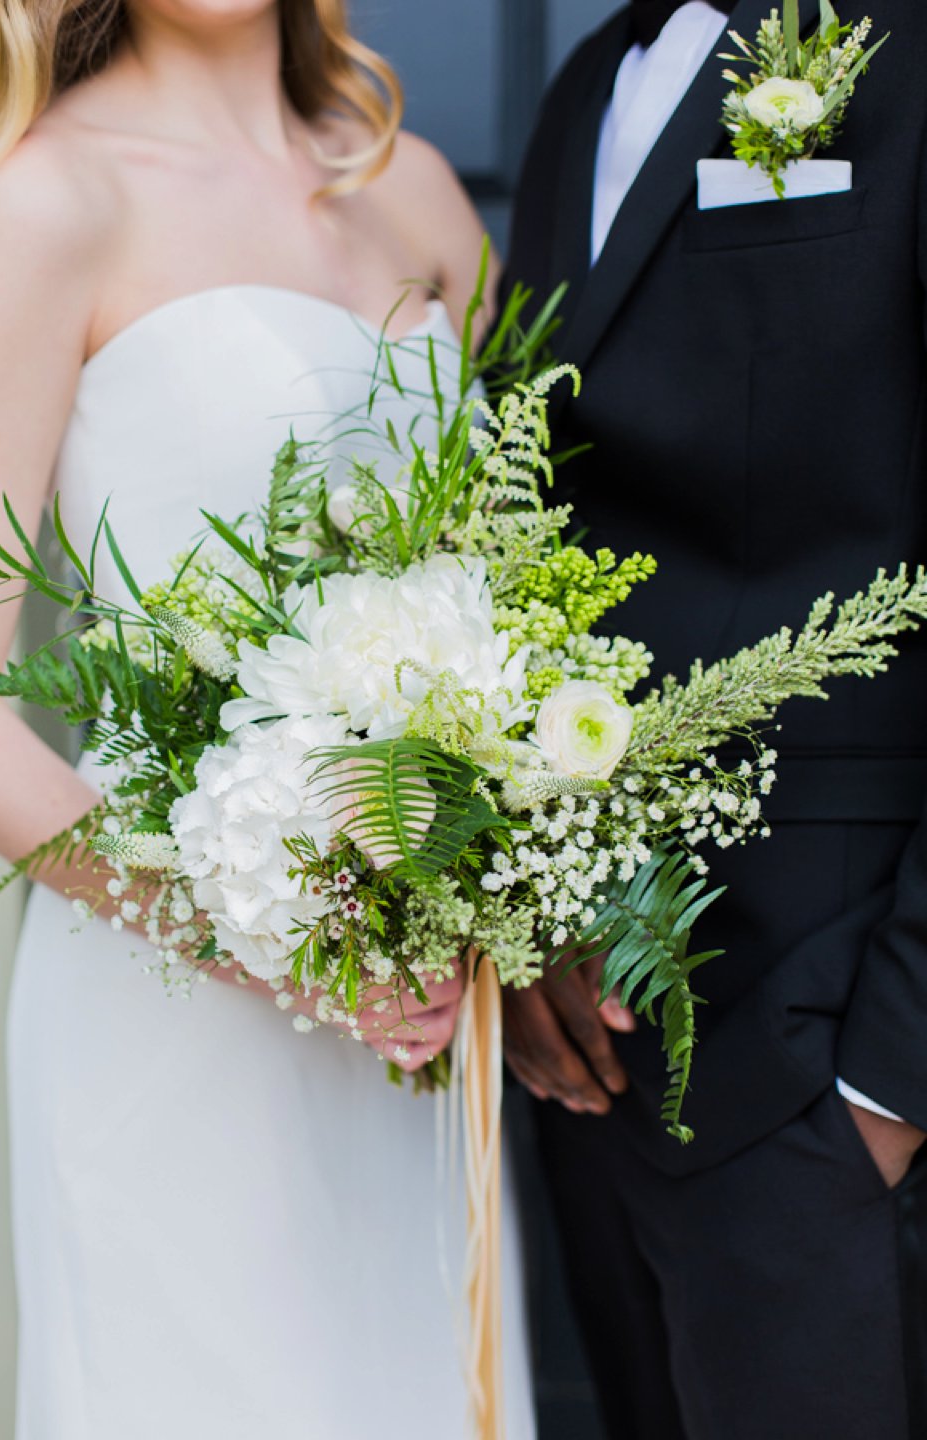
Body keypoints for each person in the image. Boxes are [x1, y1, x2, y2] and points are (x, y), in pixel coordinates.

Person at [0, 2, 535, 1435]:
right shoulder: (44, 200)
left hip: (421, 1021)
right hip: (174, 1017)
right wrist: (261, 936)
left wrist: (518, 878)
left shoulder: (401, 180)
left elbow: (527, 577)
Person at [502, 0, 927, 1436]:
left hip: (838, 1050)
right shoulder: (582, 94)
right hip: (593, 1060)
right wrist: (525, 926)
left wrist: (887, 1085)